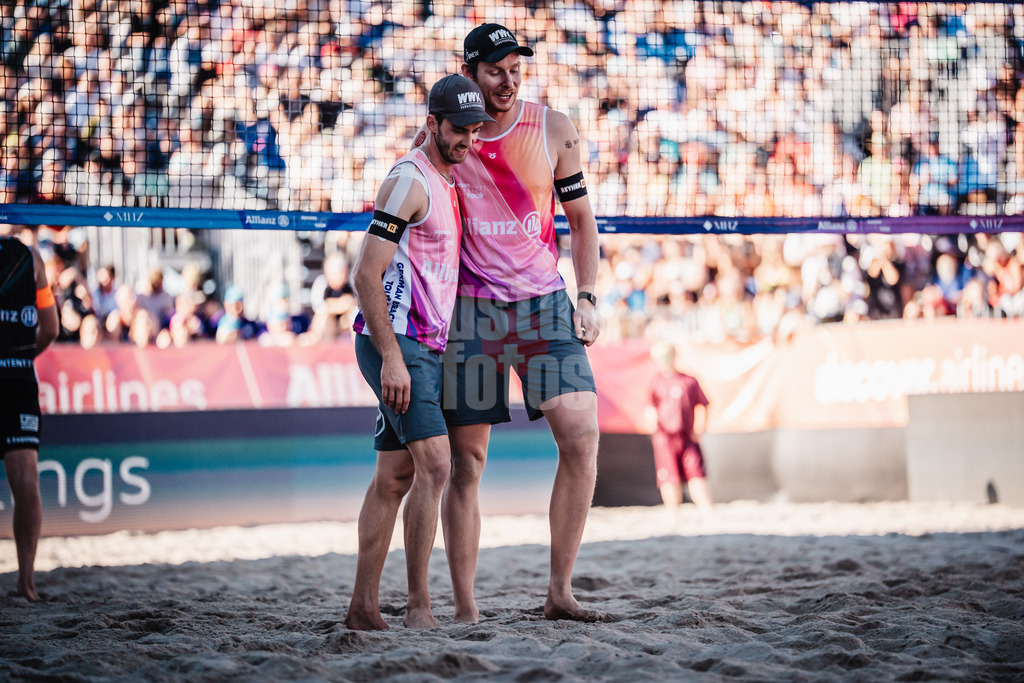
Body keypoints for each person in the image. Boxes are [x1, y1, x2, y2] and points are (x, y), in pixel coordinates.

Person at [439, 24, 602, 624]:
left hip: (542, 308)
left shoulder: (552, 128)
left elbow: (582, 223)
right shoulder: (448, 134)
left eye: (516, 70)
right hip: (473, 312)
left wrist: (587, 297)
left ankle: (560, 590)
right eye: (495, 71)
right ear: (470, 70)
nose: (507, 82)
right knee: (466, 465)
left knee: (582, 440)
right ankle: (464, 608)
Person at [343, 74, 494, 631]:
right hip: (398, 343)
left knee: (394, 478)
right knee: (437, 467)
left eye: (475, 131)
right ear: (432, 123)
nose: (468, 141)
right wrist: (392, 357)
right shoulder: (409, 180)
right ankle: (419, 608)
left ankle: (362, 609)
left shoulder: (445, 176)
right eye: (459, 130)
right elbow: (365, 274)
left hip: (420, 344)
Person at [0, 234, 59, 601]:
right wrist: (20, 359)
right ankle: (27, 583)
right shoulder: (31, 258)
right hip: (18, 379)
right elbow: (51, 328)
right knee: (25, 482)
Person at [646, 342, 713, 520]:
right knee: (669, 477)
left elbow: (704, 405)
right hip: (664, 437)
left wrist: (701, 428)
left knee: (697, 474)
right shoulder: (656, 382)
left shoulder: (689, 381)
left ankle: (708, 513)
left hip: (687, 435)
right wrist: (651, 421)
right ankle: (673, 515)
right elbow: (650, 407)